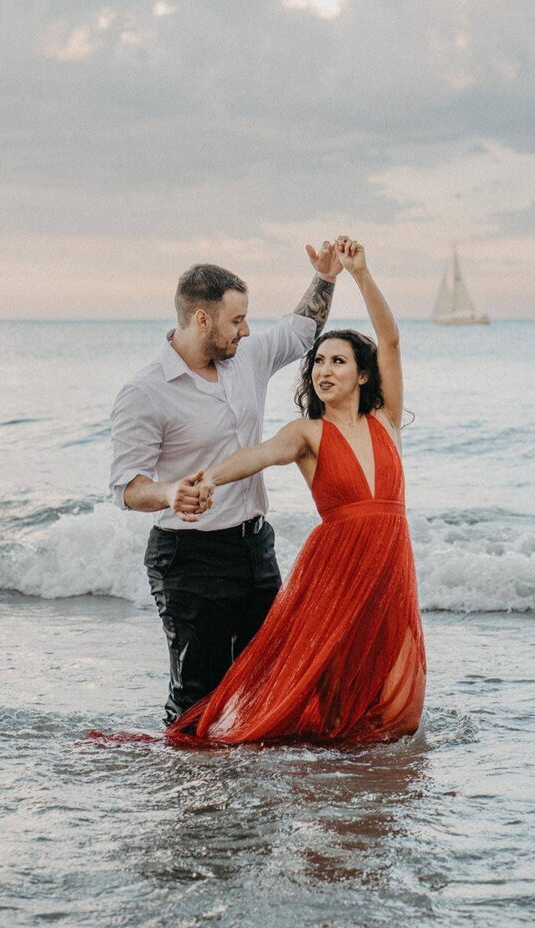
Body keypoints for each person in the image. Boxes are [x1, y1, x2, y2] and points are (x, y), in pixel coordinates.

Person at [167, 237, 426, 744]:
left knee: (395, 688)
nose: (324, 370)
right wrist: (207, 478)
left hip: (391, 559)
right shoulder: (307, 433)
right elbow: (257, 455)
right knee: (328, 674)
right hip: (337, 564)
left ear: (363, 373)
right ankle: (336, 766)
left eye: (337, 361)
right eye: (319, 362)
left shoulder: (386, 420)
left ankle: (369, 760)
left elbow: (391, 341)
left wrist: (360, 274)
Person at [110, 245, 341, 725]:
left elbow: (302, 330)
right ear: (201, 319)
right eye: (237, 320)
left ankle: (248, 789)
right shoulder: (145, 390)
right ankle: (194, 792)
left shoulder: (248, 357)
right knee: (198, 694)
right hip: (188, 559)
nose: (247, 330)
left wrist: (325, 276)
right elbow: (126, 488)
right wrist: (170, 492)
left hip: (254, 548)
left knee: (266, 679)